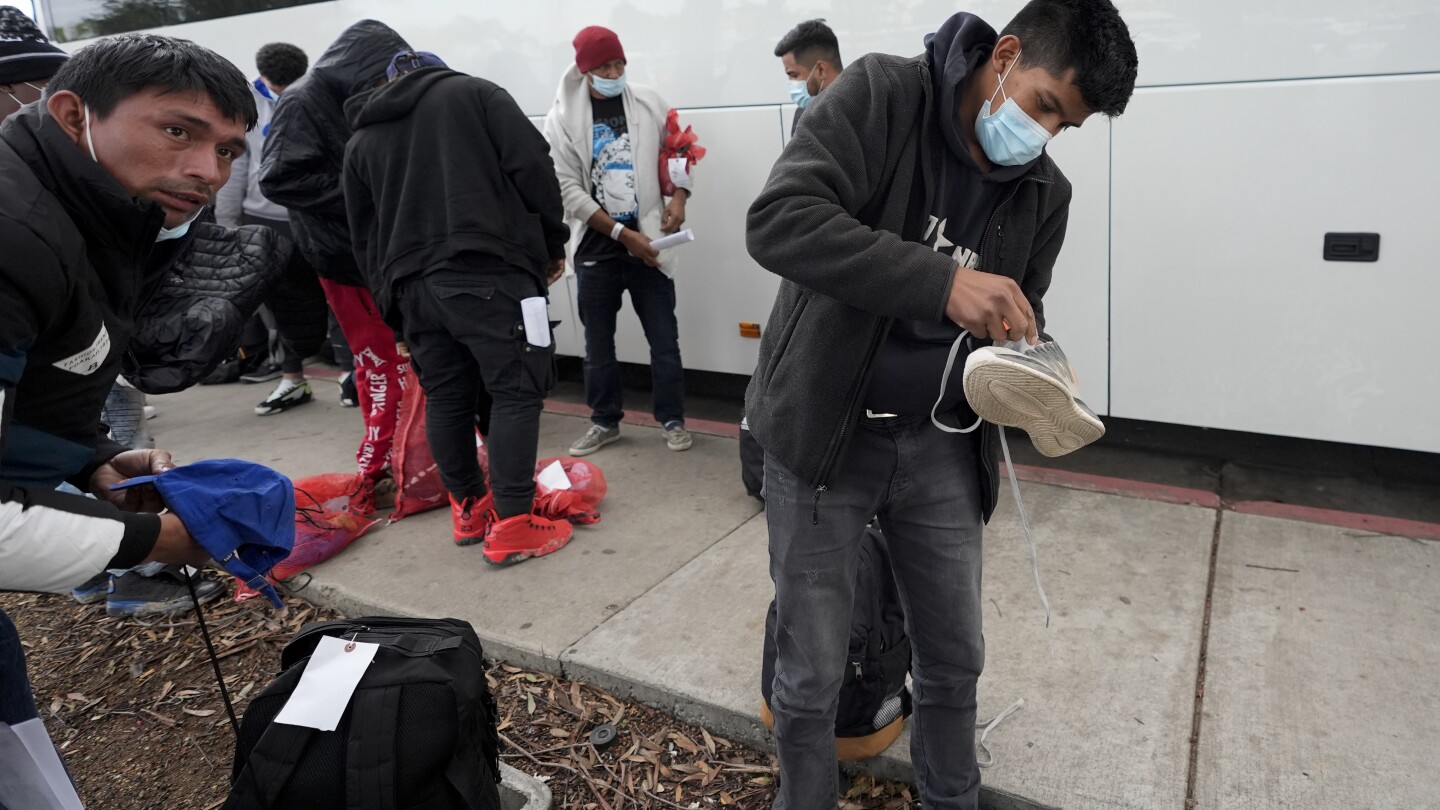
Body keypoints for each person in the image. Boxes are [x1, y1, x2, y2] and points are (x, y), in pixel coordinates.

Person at [744, 1, 1138, 807]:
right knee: (812, 672)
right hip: (824, 435)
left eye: (1066, 126)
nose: (1045, 136)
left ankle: (950, 797)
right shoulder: (883, 97)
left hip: (939, 449)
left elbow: (1011, 314)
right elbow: (779, 221)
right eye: (1044, 106)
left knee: (955, 658)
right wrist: (943, 282)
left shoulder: (1042, 194)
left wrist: (1030, 371)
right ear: (1006, 54)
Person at [0, 31, 253, 804]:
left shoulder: (88, 211)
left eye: (230, 151)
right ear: (75, 116)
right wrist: (157, 540)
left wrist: (90, 458)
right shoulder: (10, 237)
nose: (208, 172)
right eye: (178, 131)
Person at [345, 51, 574, 560]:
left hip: (410, 288)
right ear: (436, 71)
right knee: (517, 389)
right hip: (487, 268)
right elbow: (533, 165)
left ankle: (470, 511)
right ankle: (515, 521)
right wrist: (551, 244)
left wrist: (392, 311)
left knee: (447, 397)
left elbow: (362, 237)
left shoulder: (361, 139)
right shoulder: (476, 94)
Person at [260, 20, 412, 514]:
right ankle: (384, 466)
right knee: (379, 366)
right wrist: (364, 190)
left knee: (410, 363)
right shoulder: (304, 100)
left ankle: (415, 456)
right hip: (345, 257)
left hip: (379, 249)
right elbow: (279, 178)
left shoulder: (351, 95)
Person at [543, 26, 695, 458]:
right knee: (598, 346)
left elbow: (679, 150)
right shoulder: (561, 120)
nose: (614, 71)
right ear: (584, 70)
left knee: (665, 340)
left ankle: (672, 419)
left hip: (650, 246)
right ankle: (604, 421)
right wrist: (622, 234)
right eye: (604, 66)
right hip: (598, 249)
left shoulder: (648, 103)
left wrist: (680, 198)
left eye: (619, 63)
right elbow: (568, 190)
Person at [216, 41, 344, 417]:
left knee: (336, 290)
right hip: (266, 216)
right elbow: (237, 160)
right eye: (278, 88)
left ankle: (350, 372)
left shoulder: (317, 97)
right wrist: (227, 220)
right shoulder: (245, 104)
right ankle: (292, 377)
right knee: (284, 299)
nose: (285, 94)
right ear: (264, 77)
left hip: (315, 211)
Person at [774, 19, 843, 135]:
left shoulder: (866, 112)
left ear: (821, 70)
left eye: (793, 74)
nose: (790, 82)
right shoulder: (803, 114)